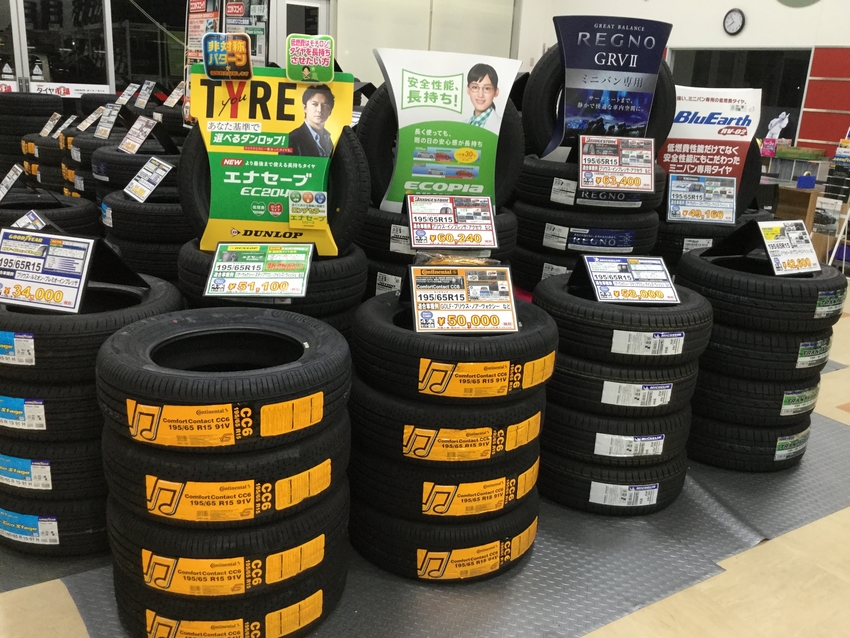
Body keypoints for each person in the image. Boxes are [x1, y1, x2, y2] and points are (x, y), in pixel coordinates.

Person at [289, 85, 335, 157]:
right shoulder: (292, 139)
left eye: (325, 105)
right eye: (315, 104)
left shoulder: (329, 139)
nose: (319, 110)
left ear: (330, 111)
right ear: (305, 107)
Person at [466, 63, 499, 128]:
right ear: (468, 90)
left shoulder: (502, 126)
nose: (480, 95)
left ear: (496, 92)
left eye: (487, 88)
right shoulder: (463, 124)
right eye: (475, 87)